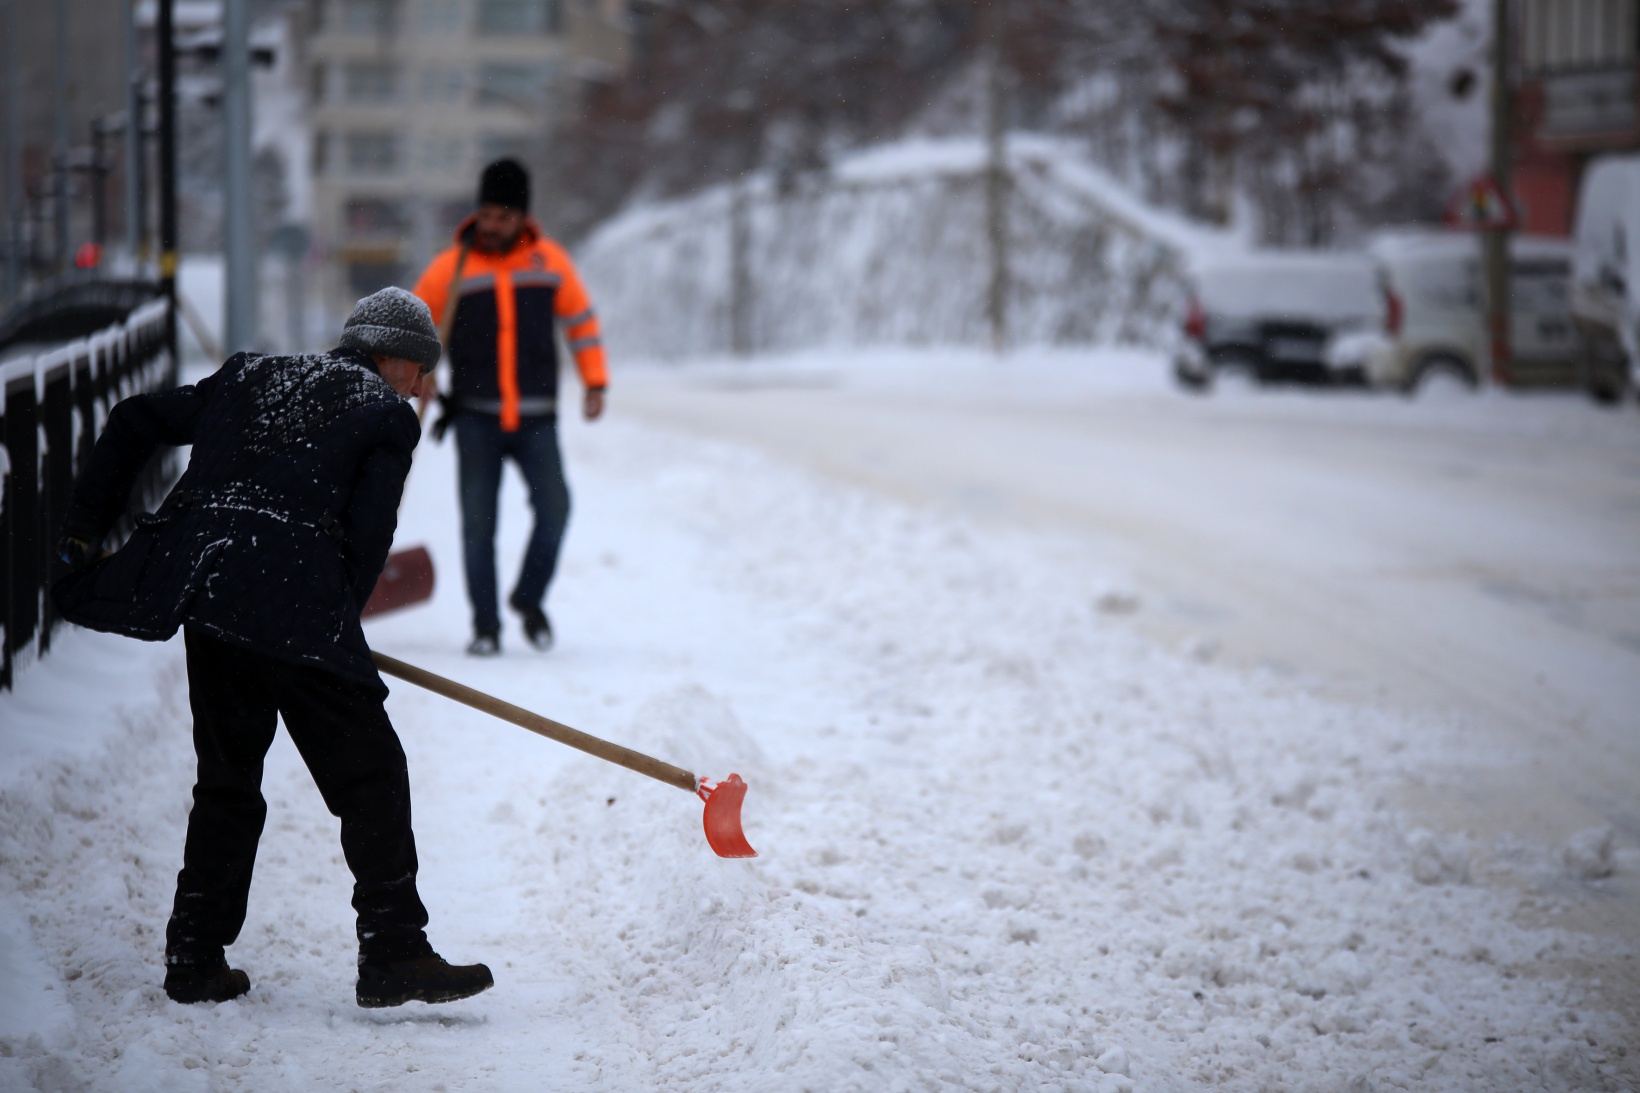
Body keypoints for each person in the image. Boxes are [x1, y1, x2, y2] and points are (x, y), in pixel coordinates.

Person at [52, 288, 494, 1009]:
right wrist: (337, 624)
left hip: (208, 590)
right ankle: (393, 950)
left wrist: (81, 529)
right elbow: (367, 539)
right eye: (420, 372)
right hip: (293, 597)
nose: (421, 390)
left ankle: (194, 954)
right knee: (372, 775)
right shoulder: (384, 415)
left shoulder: (251, 374)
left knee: (228, 780)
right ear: (391, 358)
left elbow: (133, 418)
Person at [413, 158, 607, 656]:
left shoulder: (549, 262)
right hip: (474, 417)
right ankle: (485, 627)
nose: (492, 225)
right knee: (478, 526)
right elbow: (416, 329)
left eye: (503, 216)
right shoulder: (450, 268)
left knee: (555, 509)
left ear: (523, 216)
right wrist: (419, 374)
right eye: (486, 214)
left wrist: (595, 382)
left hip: (537, 417)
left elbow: (581, 323)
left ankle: (528, 597)